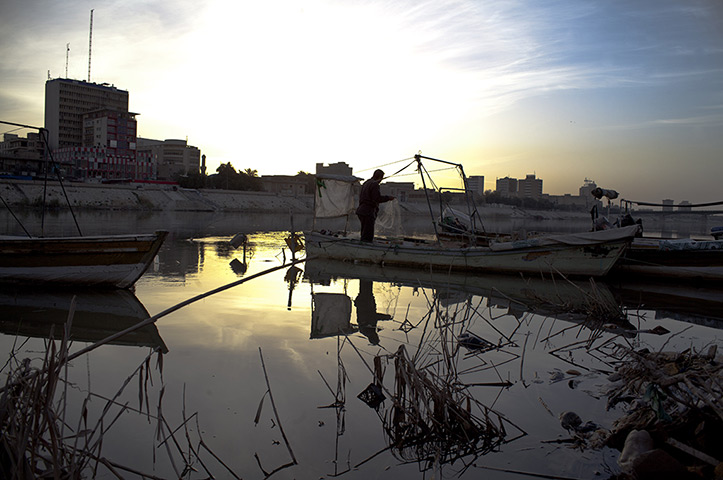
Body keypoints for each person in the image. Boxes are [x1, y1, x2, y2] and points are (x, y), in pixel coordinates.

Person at [356, 169, 394, 242]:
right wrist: (388, 198)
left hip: (361, 211)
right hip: (368, 212)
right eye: (382, 178)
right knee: (368, 235)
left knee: (364, 232)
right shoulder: (374, 184)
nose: (381, 180)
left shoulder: (366, 183)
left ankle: (363, 246)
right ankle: (366, 249)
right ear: (380, 177)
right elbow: (377, 198)